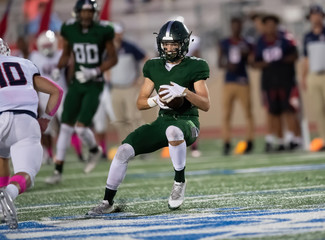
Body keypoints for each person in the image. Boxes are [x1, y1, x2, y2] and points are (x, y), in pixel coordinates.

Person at [86, 20, 210, 216]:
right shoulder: (153, 66)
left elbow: (205, 104)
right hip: (163, 120)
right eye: (166, 44)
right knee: (123, 151)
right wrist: (155, 101)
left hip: (188, 121)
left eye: (174, 44)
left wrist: (185, 92)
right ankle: (107, 201)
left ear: (184, 44)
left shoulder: (196, 66)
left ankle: (179, 181)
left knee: (174, 131)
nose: (169, 48)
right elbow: (141, 102)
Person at [45, 0, 117, 184]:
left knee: (81, 127)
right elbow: (66, 53)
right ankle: (58, 171)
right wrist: (58, 68)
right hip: (77, 82)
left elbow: (113, 58)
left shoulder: (103, 30)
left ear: (94, 12)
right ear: (77, 13)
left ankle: (94, 149)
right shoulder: (70, 29)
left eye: (89, 11)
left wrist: (95, 71)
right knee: (66, 126)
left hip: (94, 83)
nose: (86, 15)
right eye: (83, 12)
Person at [0, 38, 63, 229]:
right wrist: (45, 119)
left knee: (2, 156)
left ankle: (2, 204)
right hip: (25, 122)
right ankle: (8, 194)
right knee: (26, 173)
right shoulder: (24, 64)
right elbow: (56, 91)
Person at [253, 14, 299, 151]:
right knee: (274, 111)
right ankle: (280, 141)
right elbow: (255, 62)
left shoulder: (285, 39)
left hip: (285, 80)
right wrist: (266, 63)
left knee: (288, 109)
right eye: (267, 25)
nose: (270, 27)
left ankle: (291, 139)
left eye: (273, 25)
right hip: (269, 81)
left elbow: (295, 55)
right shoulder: (260, 41)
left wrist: (281, 60)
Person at [218, 17, 254, 155]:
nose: (236, 28)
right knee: (227, 114)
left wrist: (247, 56)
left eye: (238, 25)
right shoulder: (224, 43)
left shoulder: (247, 43)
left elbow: (252, 61)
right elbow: (220, 63)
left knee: (248, 112)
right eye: (234, 26)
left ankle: (250, 140)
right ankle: (226, 141)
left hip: (243, 81)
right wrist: (228, 65)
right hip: (229, 81)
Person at [302, 4, 325, 150]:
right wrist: (304, 76)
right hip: (314, 75)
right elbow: (306, 59)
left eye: (317, 14)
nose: (315, 17)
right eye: (312, 15)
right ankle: (324, 138)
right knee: (318, 109)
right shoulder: (307, 37)